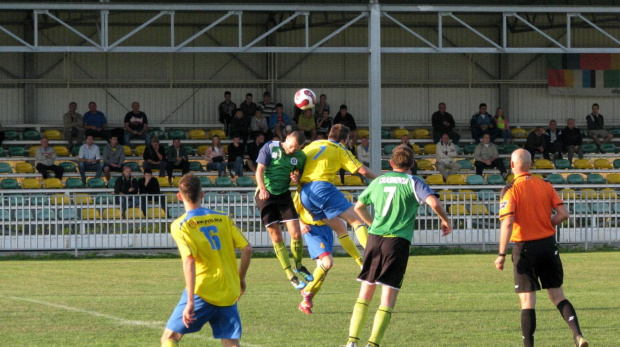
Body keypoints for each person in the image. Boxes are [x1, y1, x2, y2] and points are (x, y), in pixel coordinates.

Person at [345, 145, 452, 347]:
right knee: (388, 294)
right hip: (397, 242)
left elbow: (359, 206)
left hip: (374, 239)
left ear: (391, 163)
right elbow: (434, 203)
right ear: (412, 164)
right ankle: (372, 344)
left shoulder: (378, 181)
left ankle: (351, 342)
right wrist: (445, 221)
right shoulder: (414, 182)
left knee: (365, 292)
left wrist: (371, 224)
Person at [495, 149, 588, 347]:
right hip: (548, 245)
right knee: (558, 296)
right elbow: (563, 213)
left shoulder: (510, 189)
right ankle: (578, 335)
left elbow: (508, 223)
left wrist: (501, 254)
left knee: (527, 303)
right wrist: (546, 224)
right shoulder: (545, 185)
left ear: (512, 166)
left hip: (524, 248)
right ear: (530, 164)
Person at [160, 174, 252, 347]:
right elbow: (247, 248)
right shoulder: (223, 218)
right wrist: (240, 278)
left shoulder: (181, 225)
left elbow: (189, 260)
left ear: (179, 197)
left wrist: (190, 302)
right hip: (228, 289)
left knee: (169, 338)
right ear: (202, 194)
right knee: (231, 342)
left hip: (202, 291)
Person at [300, 124, 378, 251]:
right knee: (357, 220)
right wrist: (380, 177)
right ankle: (374, 257)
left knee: (340, 229)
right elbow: (363, 171)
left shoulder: (314, 144)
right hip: (322, 188)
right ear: (344, 139)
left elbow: (299, 160)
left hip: (305, 193)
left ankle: (360, 263)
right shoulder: (340, 148)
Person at [255, 131, 313, 290]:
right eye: (291, 146)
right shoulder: (270, 147)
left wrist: (296, 177)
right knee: (277, 235)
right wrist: (262, 189)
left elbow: (298, 174)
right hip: (265, 195)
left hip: (283, 196)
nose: (292, 150)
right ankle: (290, 275)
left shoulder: (300, 156)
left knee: (296, 233)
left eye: (296, 148)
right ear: (286, 138)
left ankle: (299, 265)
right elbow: (259, 170)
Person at [294, 191, 363, 315]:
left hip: (327, 229)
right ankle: (307, 291)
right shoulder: (303, 192)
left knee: (322, 271)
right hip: (312, 229)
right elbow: (292, 212)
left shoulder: (327, 190)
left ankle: (305, 302)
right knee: (327, 262)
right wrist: (301, 224)